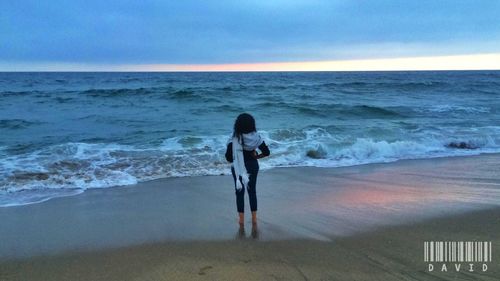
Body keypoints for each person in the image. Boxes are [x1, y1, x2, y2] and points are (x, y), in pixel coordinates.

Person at [225, 113, 270, 227]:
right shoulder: (256, 137)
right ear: (252, 125)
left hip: (238, 167)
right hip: (253, 165)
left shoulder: (234, 138)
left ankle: (241, 221)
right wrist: (256, 156)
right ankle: (254, 219)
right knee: (252, 192)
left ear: (238, 125)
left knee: (240, 192)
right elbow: (266, 152)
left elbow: (229, 158)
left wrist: (237, 154)